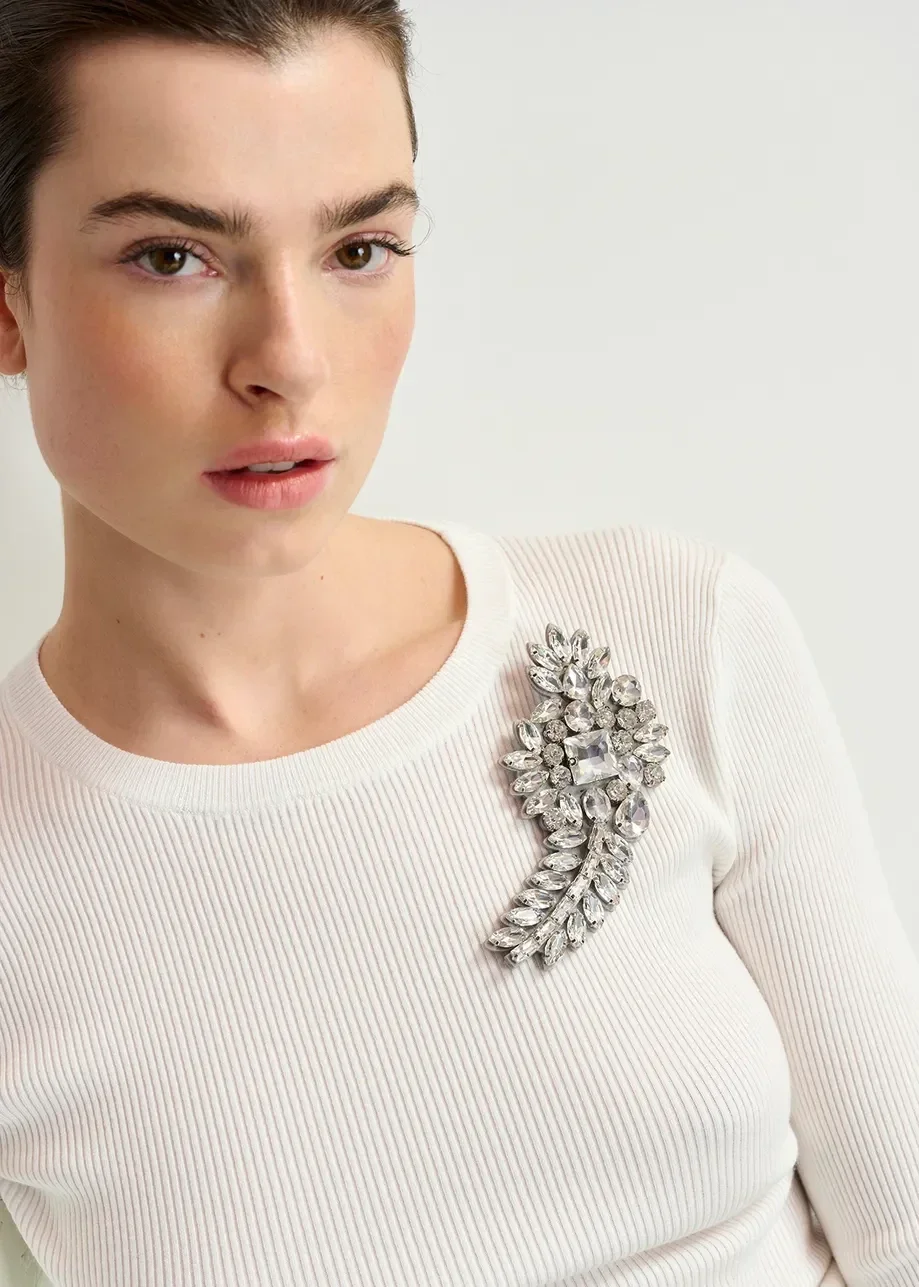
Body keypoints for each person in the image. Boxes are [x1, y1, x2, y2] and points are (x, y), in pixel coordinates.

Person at [0, 2, 916, 1285]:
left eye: (359, 248)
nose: (288, 362)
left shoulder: (673, 631)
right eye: (172, 258)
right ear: (10, 306)